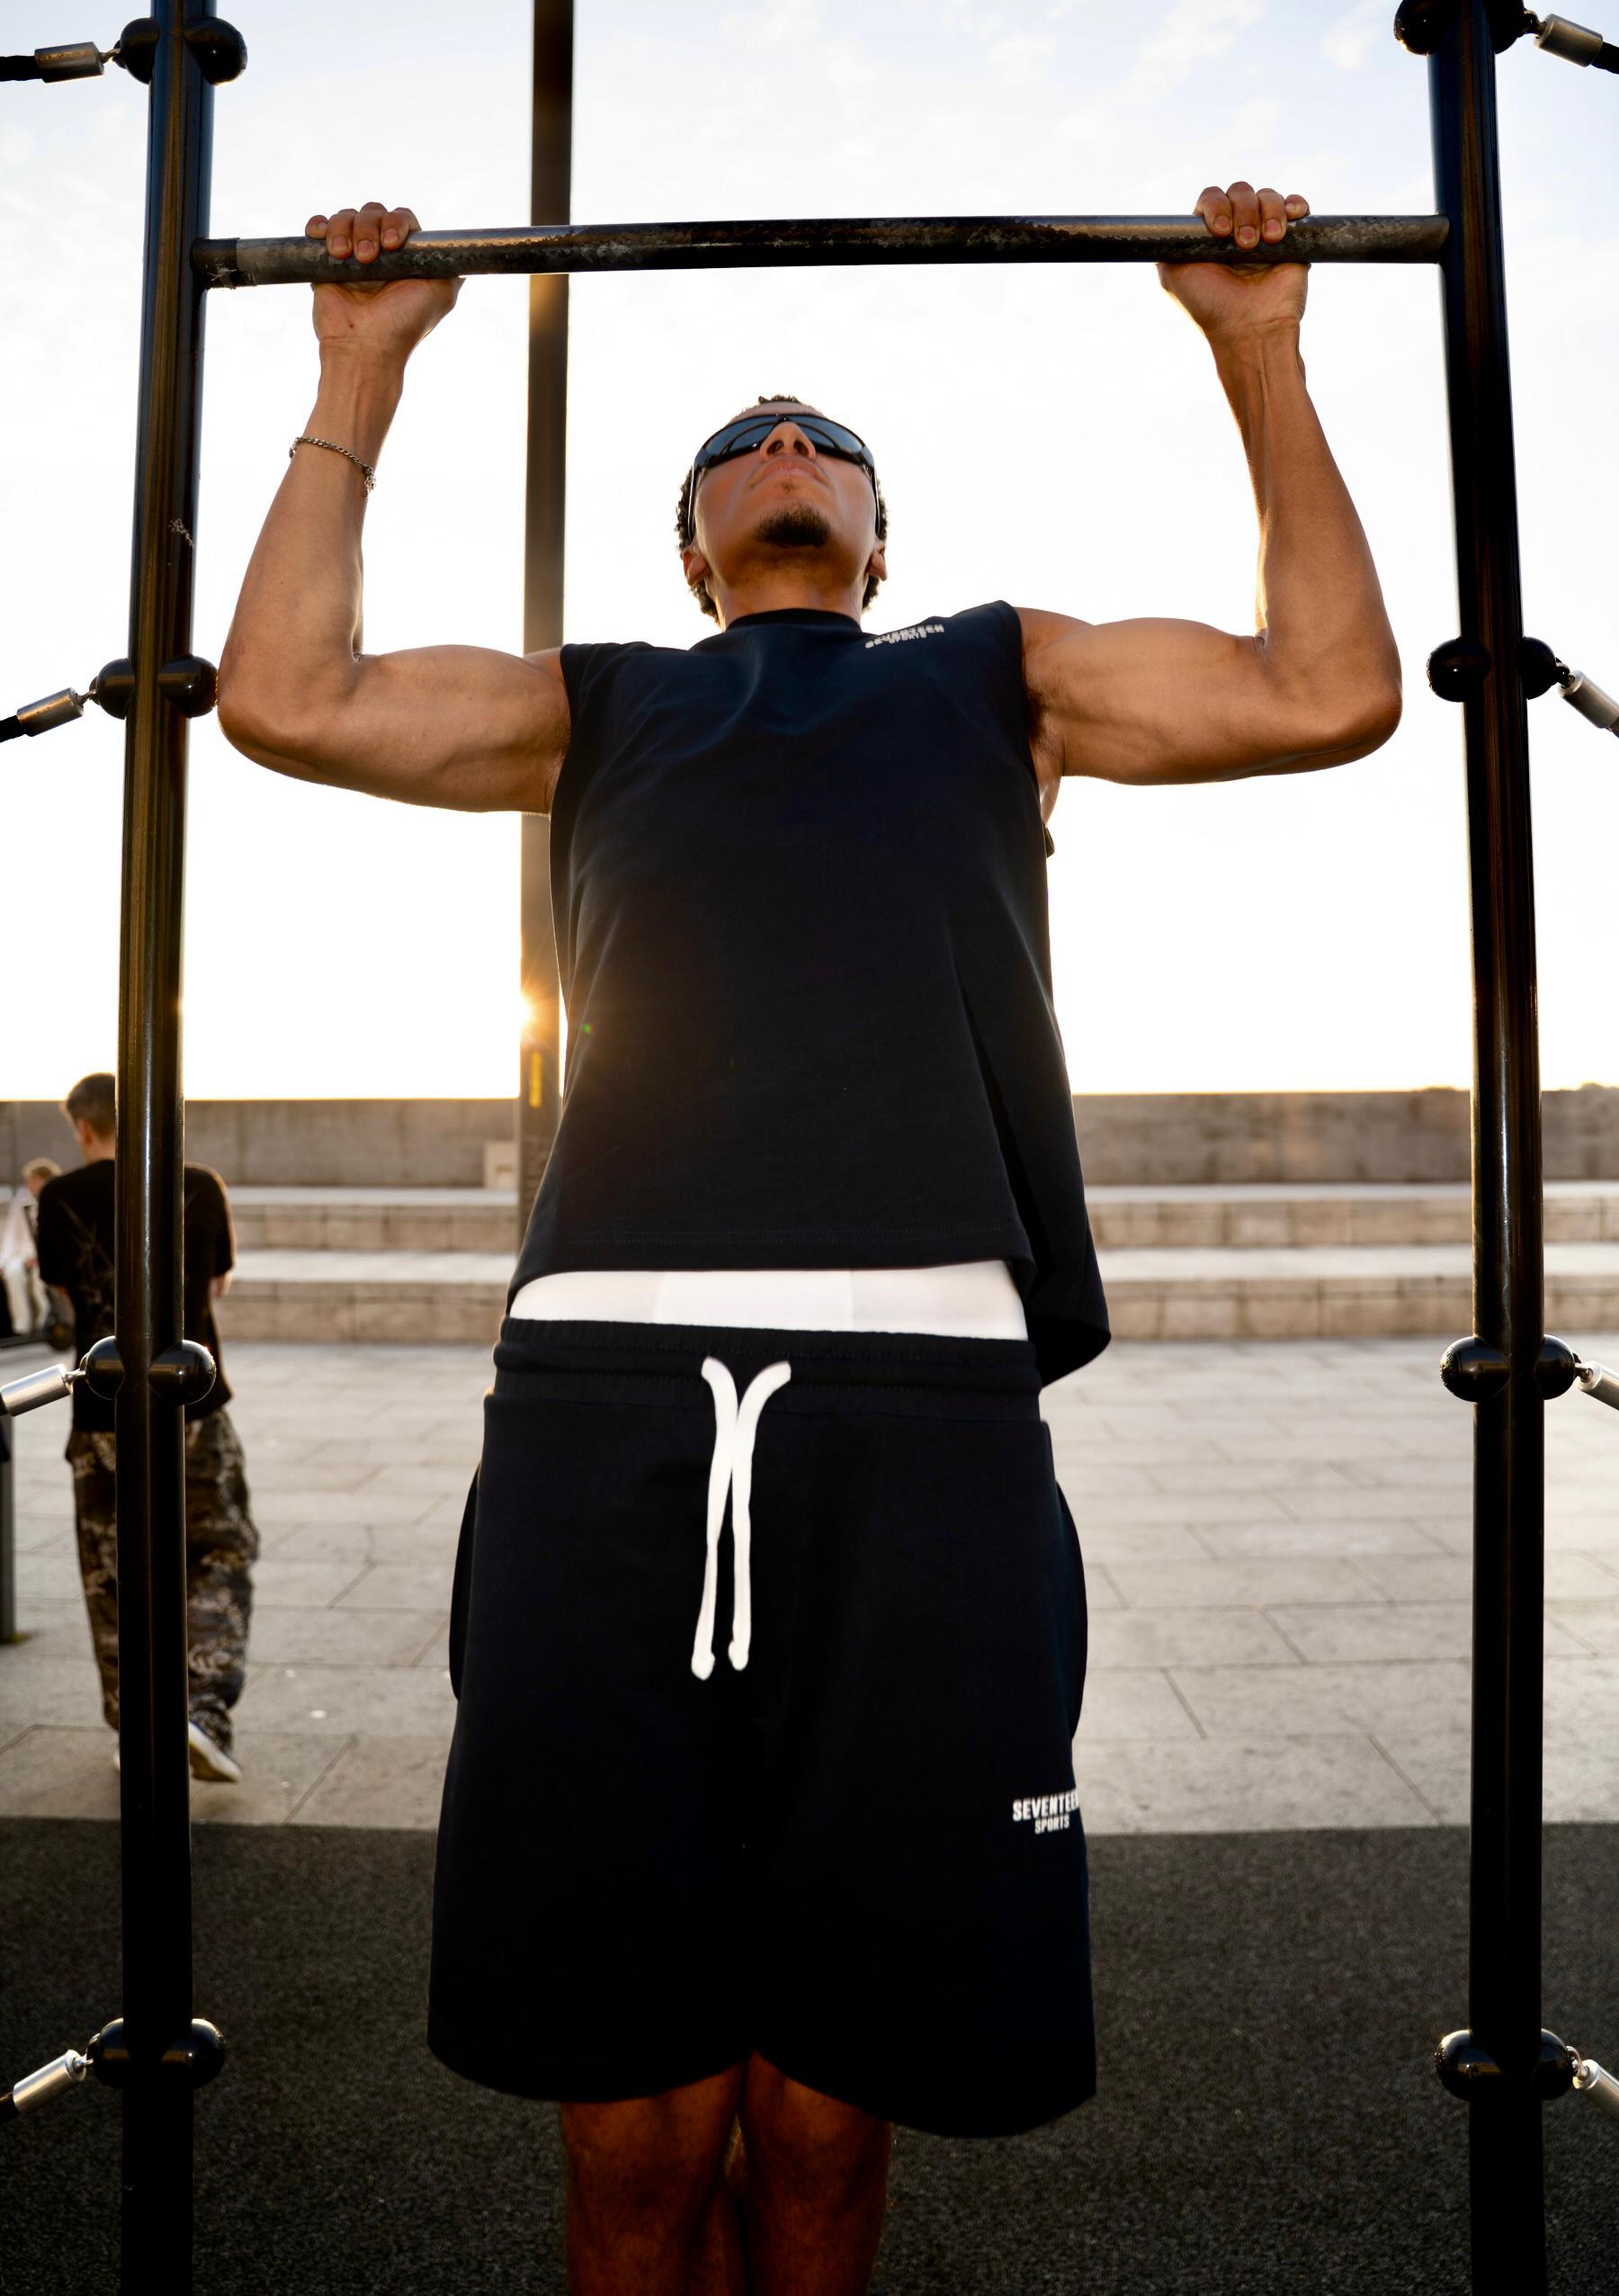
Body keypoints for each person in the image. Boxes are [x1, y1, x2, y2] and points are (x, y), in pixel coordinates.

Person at [215, 180, 1401, 2296]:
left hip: (920, 1413)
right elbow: (290, 697)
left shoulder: (998, 673)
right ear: (693, 547)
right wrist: (361, 362)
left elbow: (1328, 689)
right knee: (638, 2126)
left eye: (826, 439)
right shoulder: (605, 702)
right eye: (740, 443)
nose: (784, 440)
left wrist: (1256, 346)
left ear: (876, 530)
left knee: (833, 2110)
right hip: (604, 1414)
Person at [33, 1072, 259, 1786]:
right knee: (220, 1549)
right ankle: (203, 1712)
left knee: (111, 1572)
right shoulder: (200, 1183)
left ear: (82, 1126)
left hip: (103, 1410)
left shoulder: (58, 1197)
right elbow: (215, 1285)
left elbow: (66, 1294)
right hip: (196, 1404)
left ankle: (136, 1726)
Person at [1, 1158, 60, 1341]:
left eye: (35, 1180)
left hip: (45, 1254)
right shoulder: (21, 1201)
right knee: (13, 1273)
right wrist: (4, 1261)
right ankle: (22, 1325)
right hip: (24, 1252)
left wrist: (37, 1256)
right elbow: (12, 1233)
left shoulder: (54, 1199)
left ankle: (44, 1322)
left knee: (38, 1278)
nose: (30, 1185)